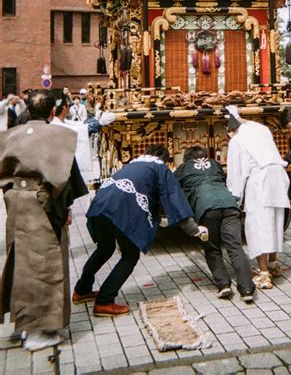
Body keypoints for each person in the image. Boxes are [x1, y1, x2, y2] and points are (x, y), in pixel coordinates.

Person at [73, 144, 208, 317]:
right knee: (130, 256)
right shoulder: (159, 167)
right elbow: (174, 199)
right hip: (120, 209)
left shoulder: (132, 165)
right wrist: (193, 229)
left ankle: (81, 290)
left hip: (99, 205)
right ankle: (104, 301)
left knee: (104, 248)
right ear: (164, 159)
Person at [0, 89, 88, 351]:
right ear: (53, 111)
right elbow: (68, 182)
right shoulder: (60, 136)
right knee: (43, 267)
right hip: (43, 203)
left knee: (20, 263)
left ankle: (23, 325)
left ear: (28, 108)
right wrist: (64, 209)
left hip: (16, 203)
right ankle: (37, 332)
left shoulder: (10, 135)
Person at [175, 145, 255, 302]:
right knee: (235, 247)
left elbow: (174, 189)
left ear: (187, 158)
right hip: (230, 205)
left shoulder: (182, 169)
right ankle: (246, 289)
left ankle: (223, 284)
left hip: (207, 208)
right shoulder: (215, 164)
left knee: (212, 248)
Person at [226, 111, 290, 289]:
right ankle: (273, 264)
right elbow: (249, 123)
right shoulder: (261, 130)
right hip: (277, 177)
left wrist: (234, 199)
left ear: (231, 131)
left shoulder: (236, 141)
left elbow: (235, 173)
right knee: (275, 222)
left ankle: (263, 274)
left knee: (257, 225)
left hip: (259, 181)